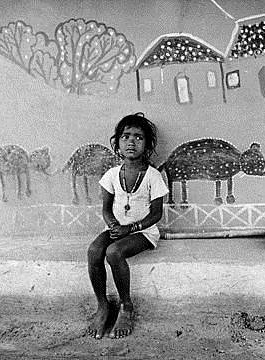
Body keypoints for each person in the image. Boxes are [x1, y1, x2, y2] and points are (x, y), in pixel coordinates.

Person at [87, 113, 169, 339]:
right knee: (94, 250)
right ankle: (103, 305)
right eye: (125, 137)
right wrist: (113, 225)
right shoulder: (112, 175)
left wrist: (130, 229)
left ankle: (126, 306)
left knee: (114, 252)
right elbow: (106, 208)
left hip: (143, 232)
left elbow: (156, 214)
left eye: (138, 137)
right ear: (118, 143)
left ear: (148, 145)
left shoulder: (153, 176)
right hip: (118, 229)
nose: (131, 142)